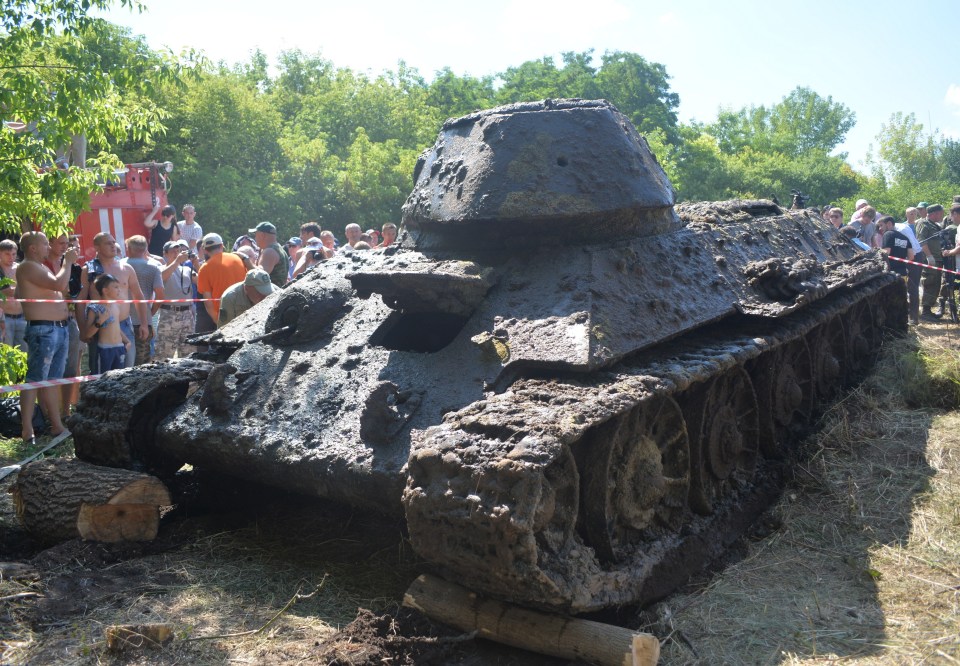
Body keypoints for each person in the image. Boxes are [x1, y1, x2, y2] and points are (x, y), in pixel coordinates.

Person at [15, 231, 77, 441]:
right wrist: (67, 262)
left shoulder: (39, 267)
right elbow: (59, 285)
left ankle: (57, 426)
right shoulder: (28, 266)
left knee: (52, 380)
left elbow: (58, 288)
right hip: (43, 329)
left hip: (58, 328)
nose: (48, 248)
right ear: (33, 248)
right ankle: (27, 429)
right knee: (34, 379)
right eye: (44, 244)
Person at [78, 232, 150, 372]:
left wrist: (144, 323)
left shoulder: (126, 268)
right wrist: (83, 330)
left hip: (124, 325)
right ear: (97, 247)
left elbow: (138, 296)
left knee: (127, 371)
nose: (112, 245)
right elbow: (80, 301)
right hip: (99, 326)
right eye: (107, 243)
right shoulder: (89, 270)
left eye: (113, 242)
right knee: (99, 373)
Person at [124, 235, 165, 365]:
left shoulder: (120, 265)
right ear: (145, 249)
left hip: (123, 320)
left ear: (128, 249)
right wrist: (150, 312)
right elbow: (160, 295)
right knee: (142, 363)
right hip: (144, 321)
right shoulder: (154, 267)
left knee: (125, 362)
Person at [196, 233, 247, 335]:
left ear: (205, 250)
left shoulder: (204, 269)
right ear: (221, 246)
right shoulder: (238, 259)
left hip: (223, 315)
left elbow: (208, 302)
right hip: (244, 313)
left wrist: (218, 321)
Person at [155, 240, 197, 360]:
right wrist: (177, 261)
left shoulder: (187, 270)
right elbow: (162, 277)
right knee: (164, 353)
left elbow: (201, 282)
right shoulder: (160, 268)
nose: (176, 253)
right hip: (169, 314)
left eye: (178, 251)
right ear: (165, 253)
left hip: (187, 315)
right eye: (173, 251)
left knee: (189, 352)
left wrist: (196, 263)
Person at [84, 274, 131, 371]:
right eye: (116, 287)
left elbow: (116, 327)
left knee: (117, 379)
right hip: (104, 350)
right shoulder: (94, 308)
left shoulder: (116, 306)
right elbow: (87, 335)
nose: (119, 290)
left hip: (119, 348)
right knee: (102, 380)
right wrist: (99, 322)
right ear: (105, 290)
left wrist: (127, 342)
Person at [917, 204, 946, 321]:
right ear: (934, 213)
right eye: (941, 213)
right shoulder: (924, 223)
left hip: (937, 260)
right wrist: (929, 256)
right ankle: (925, 312)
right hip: (929, 260)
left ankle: (928, 310)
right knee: (930, 283)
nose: (942, 215)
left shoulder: (935, 225)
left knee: (936, 285)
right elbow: (921, 241)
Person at [897, 208, 924, 326]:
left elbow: (912, 251)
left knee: (913, 287)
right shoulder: (903, 226)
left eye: (914, 213)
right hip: (910, 257)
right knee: (907, 287)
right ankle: (908, 316)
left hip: (914, 256)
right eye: (910, 213)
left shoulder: (902, 230)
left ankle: (914, 318)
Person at [0, 239, 26, 351]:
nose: (11, 257)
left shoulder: (20, 268)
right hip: (4, 319)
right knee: (7, 354)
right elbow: (6, 291)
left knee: (25, 353)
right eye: (7, 254)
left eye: (14, 254)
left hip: (22, 317)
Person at [249, 221, 288, 287]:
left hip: (270, 295)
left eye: (256, 234)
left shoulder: (269, 251)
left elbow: (259, 275)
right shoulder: (279, 249)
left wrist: (246, 260)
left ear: (262, 235)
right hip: (277, 293)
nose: (255, 238)